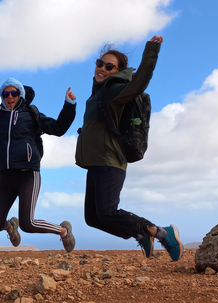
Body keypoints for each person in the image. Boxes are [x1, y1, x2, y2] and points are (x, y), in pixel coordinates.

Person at [74, 36, 183, 261]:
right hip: (95, 163)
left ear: (118, 71)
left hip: (110, 160)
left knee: (107, 211)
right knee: (93, 218)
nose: (102, 68)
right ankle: (140, 234)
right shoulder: (97, 95)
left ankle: (161, 232)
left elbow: (139, 82)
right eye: (99, 63)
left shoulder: (115, 91)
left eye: (109, 66)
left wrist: (151, 51)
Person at [0, 56, 77, 252]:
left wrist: (69, 106)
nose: (9, 97)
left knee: (29, 223)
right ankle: (11, 227)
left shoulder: (32, 114)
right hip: (5, 176)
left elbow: (59, 128)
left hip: (28, 174)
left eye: (13, 93)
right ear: (2, 97)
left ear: (20, 94)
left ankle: (63, 231)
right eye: (5, 94)